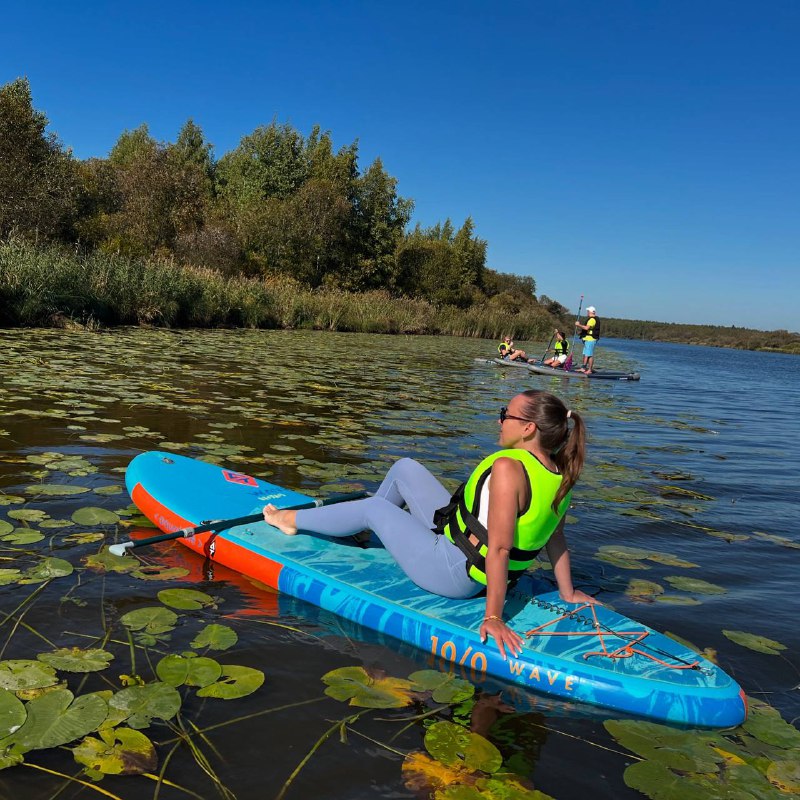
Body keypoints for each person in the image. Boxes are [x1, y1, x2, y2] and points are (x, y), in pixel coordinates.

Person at [263, 390, 596, 659]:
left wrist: (493, 617)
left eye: (504, 415)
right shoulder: (559, 473)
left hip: (455, 573)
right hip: (458, 543)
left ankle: (288, 520)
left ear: (528, 428)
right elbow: (557, 538)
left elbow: (499, 548)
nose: (499, 420)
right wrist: (567, 592)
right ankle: (363, 529)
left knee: (374, 507)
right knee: (406, 467)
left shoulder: (510, 468)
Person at [575, 306, 600, 373]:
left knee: (589, 355)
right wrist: (581, 333)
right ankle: (583, 368)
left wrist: (579, 325)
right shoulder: (591, 319)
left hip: (591, 340)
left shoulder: (592, 320)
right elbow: (587, 330)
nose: (587, 312)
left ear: (591, 312)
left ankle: (589, 370)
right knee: (585, 354)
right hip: (587, 339)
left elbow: (586, 328)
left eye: (588, 311)